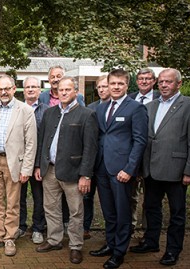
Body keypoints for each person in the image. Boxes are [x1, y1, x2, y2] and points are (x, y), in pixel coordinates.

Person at [129, 69, 190, 266]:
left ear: (179, 84)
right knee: (151, 208)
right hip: (152, 169)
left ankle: (173, 250)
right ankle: (151, 242)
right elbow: (145, 139)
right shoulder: (150, 106)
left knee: (176, 213)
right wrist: (140, 168)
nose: (164, 85)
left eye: (168, 82)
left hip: (177, 170)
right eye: (161, 82)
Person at [34, 76, 98, 264]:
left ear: (75, 91)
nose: (63, 92)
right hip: (50, 170)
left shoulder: (86, 114)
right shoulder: (50, 113)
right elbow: (43, 140)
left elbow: (90, 147)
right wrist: (39, 164)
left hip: (73, 172)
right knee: (51, 208)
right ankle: (54, 240)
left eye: (67, 89)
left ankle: (76, 246)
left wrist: (85, 175)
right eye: (61, 90)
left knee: (76, 211)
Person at [90, 69, 148, 269]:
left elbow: (140, 141)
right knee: (108, 211)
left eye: (120, 84)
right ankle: (110, 243)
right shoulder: (101, 108)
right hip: (102, 169)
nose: (115, 87)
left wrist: (130, 169)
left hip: (122, 170)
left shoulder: (136, 108)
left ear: (126, 85)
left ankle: (119, 252)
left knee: (123, 212)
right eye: (112, 83)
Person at [0, 75, 37, 256]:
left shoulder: (26, 110)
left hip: (15, 164)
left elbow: (31, 143)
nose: (3, 92)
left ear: (14, 89)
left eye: (7, 88)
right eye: (0, 89)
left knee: (13, 203)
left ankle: (10, 238)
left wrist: (26, 169)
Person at [15, 77, 48, 244]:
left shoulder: (47, 111)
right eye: (27, 87)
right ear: (23, 90)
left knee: (39, 198)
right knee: (18, 197)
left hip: (37, 165)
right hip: (19, 164)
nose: (30, 89)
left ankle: (37, 228)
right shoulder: (16, 110)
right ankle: (20, 226)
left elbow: (45, 141)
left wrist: (39, 165)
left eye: (34, 87)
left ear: (40, 90)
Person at [127, 68, 160, 234]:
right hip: (131, 155)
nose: (144, 81)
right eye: (141, 78)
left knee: (151, 198)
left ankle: (148, 234)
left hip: (152, 155)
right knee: (131, 196)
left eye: (148, 79)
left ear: (154, 81)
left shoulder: (161, 100)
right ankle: (130, 228)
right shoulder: (129, 98)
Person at [83, 75, 110, 240]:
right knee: (86, 195)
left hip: (109, 161)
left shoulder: (119, 107)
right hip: (91, 161)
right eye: (99, 87)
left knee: (108, 199)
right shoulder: (90, 108)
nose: (101, 90)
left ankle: (111, 232)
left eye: (104, 86)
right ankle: (85, 227)